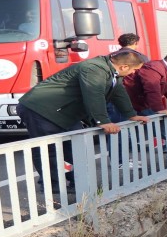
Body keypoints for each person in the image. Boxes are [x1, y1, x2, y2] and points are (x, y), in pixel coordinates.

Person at [17, 49, 150, 193]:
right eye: (134, 70)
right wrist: (103, 121)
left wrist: (131, 114)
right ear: (124, 67)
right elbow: (94, 93)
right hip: (40, 108)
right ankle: (52, 186)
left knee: (78, 146)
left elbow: (118, 93)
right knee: (48, 149)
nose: (133, 73)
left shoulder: (111, 72)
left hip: (63, 111)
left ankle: (77, 183)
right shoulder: (94, 68)